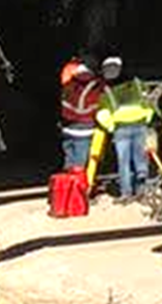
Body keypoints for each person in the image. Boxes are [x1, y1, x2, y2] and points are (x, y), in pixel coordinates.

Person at [94, 56, 156, 200]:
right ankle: (142, 191)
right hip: (140, 125)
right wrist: (147, 118)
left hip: (121, 129)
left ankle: (126, 194)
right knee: (141, 160)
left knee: (123, 162)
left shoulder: (107, 91)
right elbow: (150, 102)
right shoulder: (137, 84)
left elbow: (102, 113)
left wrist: (110, 126)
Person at [55, 55, 101, 186]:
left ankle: (67, 190)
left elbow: (63, 106)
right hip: (85, 130)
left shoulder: (67, 86)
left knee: (69, 160)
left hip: (67, 128)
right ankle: (79, 190)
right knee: (80, 163)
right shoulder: (95, 87)